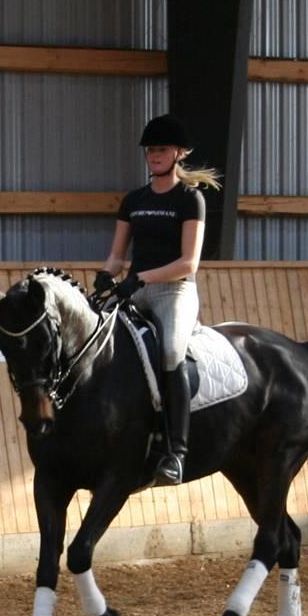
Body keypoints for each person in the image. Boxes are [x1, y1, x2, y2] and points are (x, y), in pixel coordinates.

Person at [94, 114, 221, 486]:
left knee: (169, 352)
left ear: (178, 154)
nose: (154, 156)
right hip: (134, 289)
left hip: (174, 292)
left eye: (161, 149)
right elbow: (118, 255)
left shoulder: (190, 199)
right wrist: (107, 274)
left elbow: (188, 262)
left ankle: (176, 453)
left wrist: (140, 278)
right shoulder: (134, 200)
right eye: (150, 150)